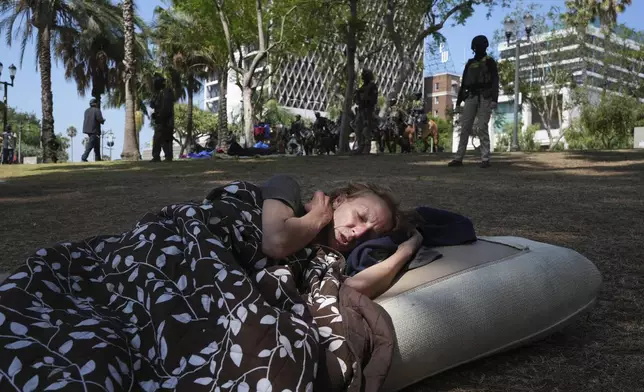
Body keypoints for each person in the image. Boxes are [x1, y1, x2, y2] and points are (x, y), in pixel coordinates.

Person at [260, 175, 422, 299]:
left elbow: (355, 288)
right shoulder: (286, 188)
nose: (358, 233)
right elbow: (276, 241)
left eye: (371, 235)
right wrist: (319, 216)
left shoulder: (334, 262)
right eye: (361, 217)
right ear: (339, 200)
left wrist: (406, 250)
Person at [449, 35, 499, 168]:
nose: (478, 49)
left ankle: (485, 158)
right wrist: (459, 101)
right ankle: (458, 158)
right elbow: (464, 82)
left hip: (485, 96)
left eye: (480, 46)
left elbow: (495, 81)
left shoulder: (490, 62)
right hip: (470, 96)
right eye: (477, 47)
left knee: (482, 126)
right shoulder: (470, 63)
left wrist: (495, 99)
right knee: (465, 127)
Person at [150, 75, 175, 162]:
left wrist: (160, 116)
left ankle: (167, 156)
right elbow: (153, 104)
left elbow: (166, 107)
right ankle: (158, 156)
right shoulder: (158, 93)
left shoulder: (167, 92)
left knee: (165, 138)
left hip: (166, 119)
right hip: (161, 119)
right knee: (159, 138)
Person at [353, 69, 379, 154]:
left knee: (366, 128)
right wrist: (357, 96)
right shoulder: (363, 87)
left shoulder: (372, 86)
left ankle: (367, 147)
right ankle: (360, 146)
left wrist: (365, 99)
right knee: (358, 127)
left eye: (365, 75)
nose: (363, 77)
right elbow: (356, 99)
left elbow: (374, 100)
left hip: (368, 110)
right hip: (361, 110)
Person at [81, 98, 105, 162]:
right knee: (91, 144)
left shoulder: (86, 111)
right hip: (94, 130)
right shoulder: (97, 110)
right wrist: (103, 120)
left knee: (96, 144)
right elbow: (99, 119)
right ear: (95, 104)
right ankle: (84, 157)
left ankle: (98, 158)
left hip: (87, 129)